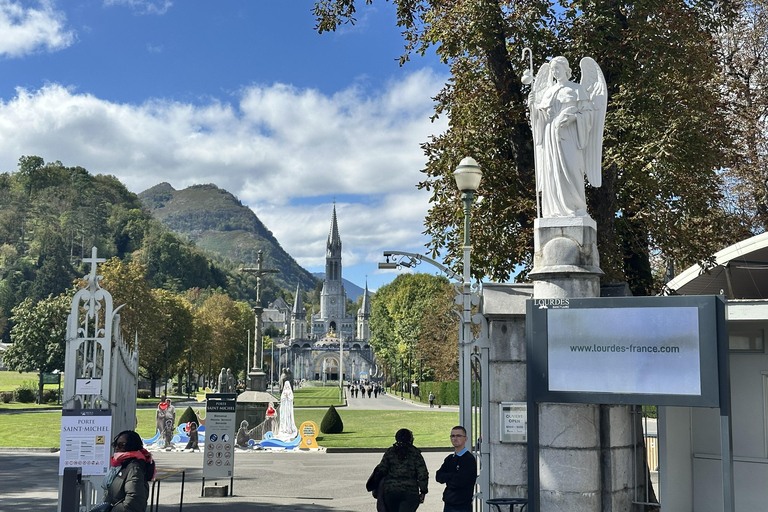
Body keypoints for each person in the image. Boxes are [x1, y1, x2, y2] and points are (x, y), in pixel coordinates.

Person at [529, 56, 606, 218]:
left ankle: (577, 207)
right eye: (552, 70)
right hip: (550, 135)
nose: (555, 72)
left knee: (572, 168)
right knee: (552, 171)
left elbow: (589, 113)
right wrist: (533, 107)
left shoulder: (576, 89)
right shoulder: (549, 92)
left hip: (570, 134)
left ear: (566, 69)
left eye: (557, 68)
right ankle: (554, 210)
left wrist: (573, 118)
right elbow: (542, 119)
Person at [369, 428, 429, 512]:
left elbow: (381, 470)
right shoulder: (415, 454)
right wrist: (423, 491)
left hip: (391, 491)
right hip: (410, 492)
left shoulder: (390, 452)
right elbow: (422, 474)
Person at [98, 430, 156, 512]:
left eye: (122, 445)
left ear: (132, 446)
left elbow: (134, 501)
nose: (117, 448)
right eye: (115, 444)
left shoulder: (134, 468)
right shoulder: (120, 465)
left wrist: (110, 510)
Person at [435, 426, 477, 512]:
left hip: (462, 506)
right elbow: (438, 476)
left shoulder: (468, 459)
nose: (455, 438)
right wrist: (452, 476)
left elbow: (460, 481)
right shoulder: (450, 458)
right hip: (448, 504)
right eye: (452, 436)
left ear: (465, 439)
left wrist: (448, 477)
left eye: (458, 436)